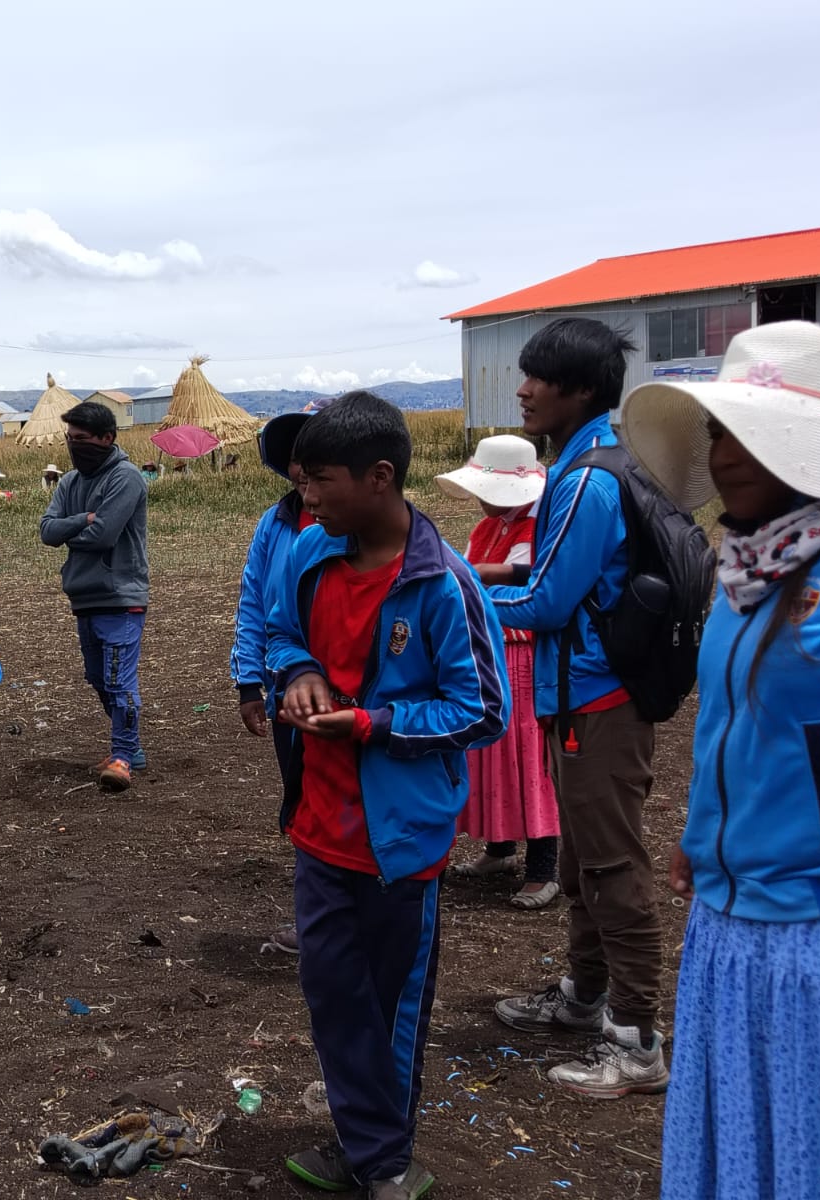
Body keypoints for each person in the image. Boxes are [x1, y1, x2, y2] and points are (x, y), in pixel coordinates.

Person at [619, 321, 820, 1199]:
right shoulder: (747, 572)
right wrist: (706, 833)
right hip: (733, 929)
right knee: (748, 1157)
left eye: (751, 433)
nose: (725, 454)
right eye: (718, 432)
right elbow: (747, 728)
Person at [266, 392, 508, 1197]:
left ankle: (387, 1161)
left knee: (391, 1003)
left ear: (378, 477)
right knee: (333, 992)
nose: (306, 497)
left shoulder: (444, 586)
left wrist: (372, 724)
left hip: (400, 841)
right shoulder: (311, 555)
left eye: (319, 481)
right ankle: (367, 1146)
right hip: (320, 826)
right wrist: (298, 673)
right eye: (301, 480)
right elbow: (279, 632)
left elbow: (483, 710)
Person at [484, 318, 669, 1099]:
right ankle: (583, 997)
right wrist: (492, 576)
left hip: (599, 699)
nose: (523, 389)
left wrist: (454, 597)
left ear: (583, 390)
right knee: (580, 860)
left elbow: (549, 603)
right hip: (580, 696)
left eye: (539, 378)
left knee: (613, 865)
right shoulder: (589, 463)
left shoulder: (589, 480)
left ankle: (636, 1040)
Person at [435, 435, 560, 910]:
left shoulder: (541, 528)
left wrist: (484, 575)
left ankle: (544, 867)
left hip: (522, 656)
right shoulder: (489, 527)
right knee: (492, 753)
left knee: (528, 756)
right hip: (490, 651)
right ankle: (501, 848)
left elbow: (530, 579)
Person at [230, 410, 314, 953]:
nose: (304, 471)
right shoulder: (275, 523)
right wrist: (248, 682)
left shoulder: (363, 528)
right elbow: (256, 603)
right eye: (297, 460)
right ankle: (316, 915)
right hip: (288, 691)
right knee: (301, 800)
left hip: (352, 698)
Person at [39, 400, 150, 792]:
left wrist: (71, 531)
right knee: (98, 677)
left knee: (119, 680)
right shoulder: (69, 482)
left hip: (121, 595)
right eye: (70, 438)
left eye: (82, 438)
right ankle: (130, 746)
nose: (74, 445)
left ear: (107, 438)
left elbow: (103, 535)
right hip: (84, 595)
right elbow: (47, 531)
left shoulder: (126, 477)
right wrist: (82, 520)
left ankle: (123, 755)